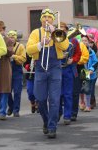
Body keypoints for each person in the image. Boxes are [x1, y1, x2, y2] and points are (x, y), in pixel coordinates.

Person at [26, 8, 69, 138]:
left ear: (53, 20)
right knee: (40, 98)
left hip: (55, 67)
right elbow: (28, 50)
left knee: (55, 100)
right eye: (44, 17)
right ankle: (46, 121)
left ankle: (52, 127)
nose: (46, 20)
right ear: (41, 20)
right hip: (40, 68)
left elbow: (65, 47)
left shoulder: (58, 32)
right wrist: (40, 44)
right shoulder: (35, 32)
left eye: (49, 18)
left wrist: (54, 34)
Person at [58, 22, 81, 125]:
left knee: (68, 94)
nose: (62, 30)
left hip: (69, 69)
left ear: (67, 30)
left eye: (63, 29)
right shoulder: (55, 40)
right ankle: (58, 112)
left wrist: (73, 60)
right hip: (57, 69)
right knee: (58, 94)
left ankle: (68, 115)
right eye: (60, 29)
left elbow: (78, 53)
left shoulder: (74, 41)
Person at [0, 21, 14, 120]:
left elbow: (10, 52)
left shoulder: (8, 40)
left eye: (1, 29)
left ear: (4, 30)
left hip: (5, 67)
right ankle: (1, 108)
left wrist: (3, 47)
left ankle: (3, 111)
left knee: (5, 91)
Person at [7, 30, 26, 117]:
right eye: (10, 37)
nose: (11, 39)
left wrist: (14, 57)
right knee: (7, 91)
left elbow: (23, 59)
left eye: (13, 37)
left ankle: (16, 110)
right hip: (7, 70)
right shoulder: (5, 46)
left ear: (15, 38)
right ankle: (11, 106)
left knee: (17, 91)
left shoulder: (21, 46)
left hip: (17, 70)